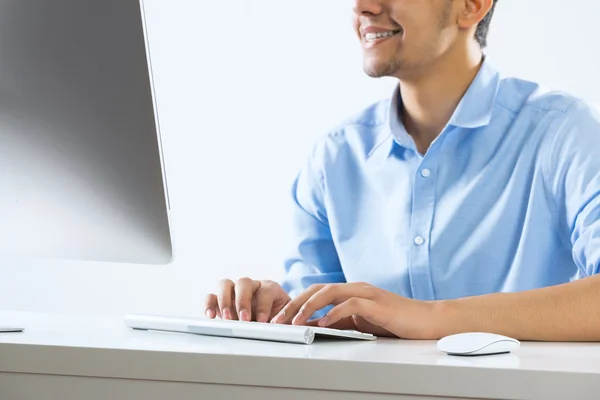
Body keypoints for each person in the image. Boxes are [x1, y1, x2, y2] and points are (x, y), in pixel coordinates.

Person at [205, 0, 600, 341]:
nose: (363, 7)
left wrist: (431, 318)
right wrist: (280, 313)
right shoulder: (335, 157)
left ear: (472, 5)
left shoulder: (560, 130)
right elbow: (324, 329)